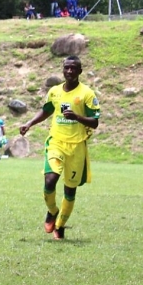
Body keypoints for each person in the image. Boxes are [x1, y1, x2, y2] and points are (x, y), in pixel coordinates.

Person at [19, 56, 100, 240]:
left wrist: (77, 118)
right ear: (63, 70)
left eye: (74, 68)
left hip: (77, 146)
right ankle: (52, 211)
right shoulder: (54, 92)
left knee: (70, 191)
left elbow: (94, 122)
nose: (70, 71)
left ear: (80, 71)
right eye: (67, 68)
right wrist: (30, 123)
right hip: (56, 142)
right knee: (49, 181)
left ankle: (60, 226)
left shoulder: (87, 94)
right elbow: (47, 110)